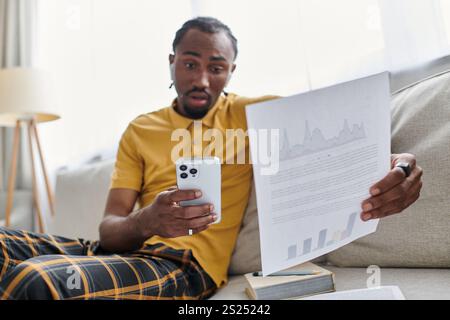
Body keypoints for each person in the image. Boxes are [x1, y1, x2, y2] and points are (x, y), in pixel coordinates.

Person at [0, 17, 423, 300]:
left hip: (184, 266)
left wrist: (394, 162)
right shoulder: (141, 129)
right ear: (171, 63)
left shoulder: (255, 115)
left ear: (232, 71)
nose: (202, 79)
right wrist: (147, 219)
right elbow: (110, 232)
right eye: (190, 63)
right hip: (115, 252)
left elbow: (336, 132)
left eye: (217, 68)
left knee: (34, 280)